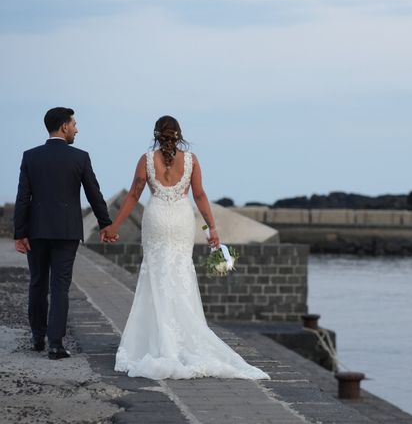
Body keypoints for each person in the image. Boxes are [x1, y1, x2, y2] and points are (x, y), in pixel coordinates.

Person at [103, 115, 268, 380]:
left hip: (156, 218)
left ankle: (156, 339)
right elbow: (200, 195)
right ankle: (184, 338)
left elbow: (135, 194)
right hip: (181, 220)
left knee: (155, 275)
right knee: (180, 274)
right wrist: (212, 229)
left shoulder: (146, 159)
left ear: (157, 135)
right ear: (179, 135)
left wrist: (114, 226)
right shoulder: (191, 161)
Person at [14, 107, 113, 360]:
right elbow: (94, 194)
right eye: (74, 124)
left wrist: (19, 233)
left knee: (37, 283)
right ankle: (55, 345)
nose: (77, 129)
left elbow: (23, 198)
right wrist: (106, 224)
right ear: (64, 127)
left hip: (36, 231)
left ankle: (38, 337)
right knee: (60, 287)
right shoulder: (79, 158)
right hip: (67, 232)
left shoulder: (30, 157)